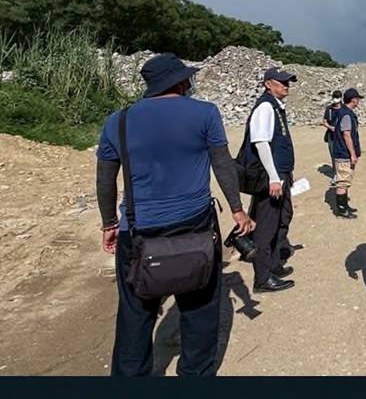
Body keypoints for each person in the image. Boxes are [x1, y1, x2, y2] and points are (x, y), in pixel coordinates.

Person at [95, 52, 254, 376]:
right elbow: (222, 165)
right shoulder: (205, 113)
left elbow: (105, 179)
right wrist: (238, 210)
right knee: (199, 311)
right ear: (181, 82)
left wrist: (109, 223)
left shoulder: (119, 121)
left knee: (135, 315)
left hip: (138, 233)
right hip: (194, 228)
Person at [245, 66, 298, 293]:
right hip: (270, 178)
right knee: (266, 227)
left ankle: (274, 264)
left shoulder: (276, 107)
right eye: (281, 82)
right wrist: (274, 177)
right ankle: (263, 277)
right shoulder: (265, 107)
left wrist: (286, 173)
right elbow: (261, 143)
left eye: (288, 82)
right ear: (268, 84)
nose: (286, 86)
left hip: (280, 175)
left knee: (283, 218)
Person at [330, 87, 365, 219]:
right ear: (353, 100)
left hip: (342, 152)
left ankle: (345, 205)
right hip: (344, 154)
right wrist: (353, 154)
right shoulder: (346, 114)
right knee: (343, 181)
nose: (359, 101)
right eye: (358, 99)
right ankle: (341, 209)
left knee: (346, 180)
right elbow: (347, 135)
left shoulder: (343, 112)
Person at [321, 89, 343, 175]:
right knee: (333, 153)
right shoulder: (329, 109)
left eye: (337, 97)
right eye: (334, 97)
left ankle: (342, 172)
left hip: (341, 135)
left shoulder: (344, 109)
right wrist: (330, 128)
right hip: (331, 135)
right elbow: (324, 121)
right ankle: (335, 172)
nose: (335, 99)